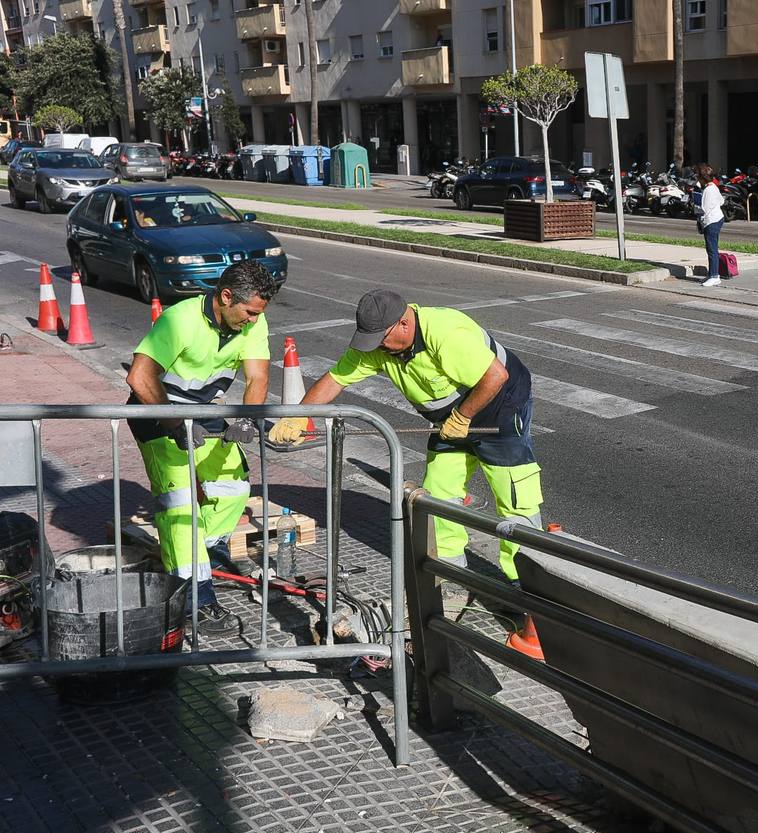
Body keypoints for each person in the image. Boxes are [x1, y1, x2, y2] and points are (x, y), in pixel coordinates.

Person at [267, 290, 543, 611]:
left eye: (381, 339)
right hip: (450, 418)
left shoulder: (444, 332)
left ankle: (526, 584)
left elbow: (496, 376)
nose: (378, 348)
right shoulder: (378, 345)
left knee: (514, 495)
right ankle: (453, 574)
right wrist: (298, 418)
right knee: (439, 493)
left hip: (500, 405)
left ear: (402, 324)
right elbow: (335, 379)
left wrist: (464, 416)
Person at [125, 261, 278, 633]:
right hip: (157, 413)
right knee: (181, 509)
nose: (255, 321)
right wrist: (174, 424)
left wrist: (245, 419)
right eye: (249, 312)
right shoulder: (180, 319)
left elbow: (257, 375)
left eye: (259, 313)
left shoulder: (253, 321)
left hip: (206, 413)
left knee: (234, 486)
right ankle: (194, 597)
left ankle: (203, 552)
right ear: (226, 297)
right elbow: (140, 376)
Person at [695, 163, 725, 287]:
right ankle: (712, 274)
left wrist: (696, 205)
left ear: (702, 178)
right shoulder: (713, 186)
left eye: (697, 176)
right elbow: (721, 201)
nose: (696, 179)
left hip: (711, 221)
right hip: (718, 218)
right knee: (713, 248)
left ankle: (714, 276)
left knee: (711, 249)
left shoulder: (707, 190)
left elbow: (704, 209)